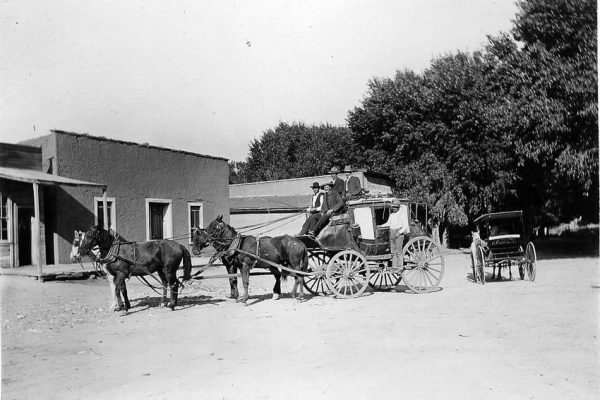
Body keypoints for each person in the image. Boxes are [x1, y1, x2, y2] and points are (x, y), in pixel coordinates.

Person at [381, 199, 410, 268]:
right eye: (392, 207)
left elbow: (405, 225)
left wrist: (399, 233)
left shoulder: (402, 215)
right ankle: (394, 267)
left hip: (398, 233)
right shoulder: (391, 215)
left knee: (399, 251)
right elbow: (388, 223)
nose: (393, 208)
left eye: (394, 207)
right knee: (393, 251)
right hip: (392, 232)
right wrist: (380, 226)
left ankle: (400, 267)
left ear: (398, 207)